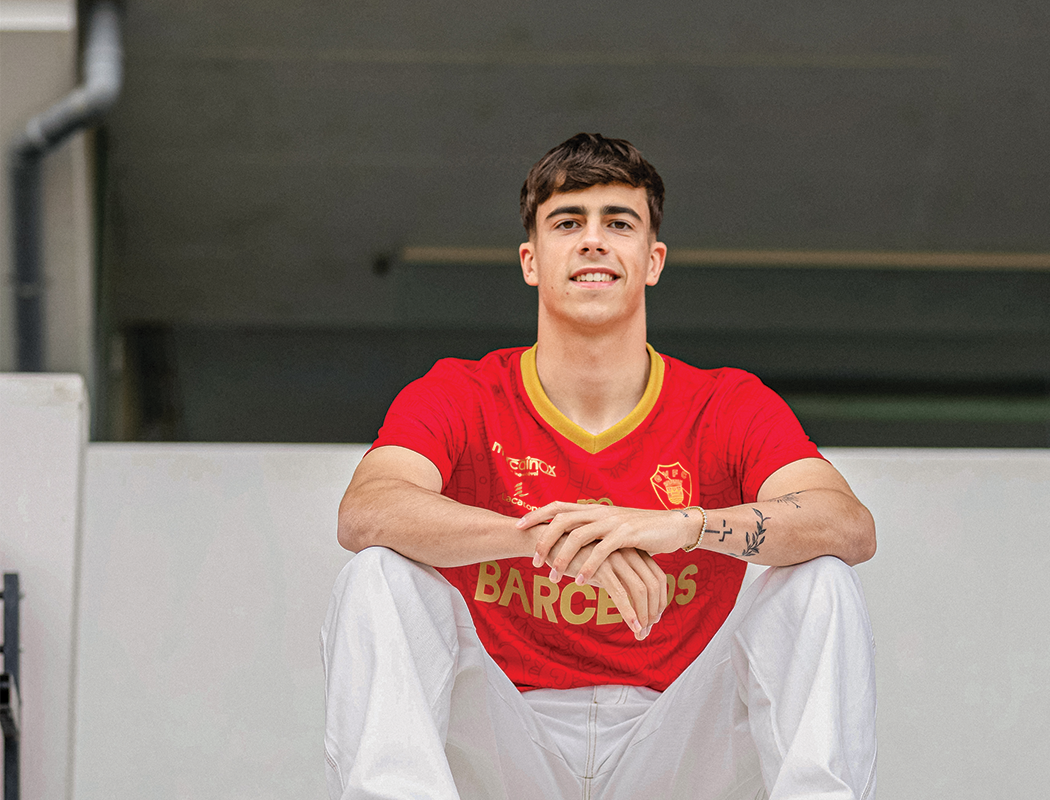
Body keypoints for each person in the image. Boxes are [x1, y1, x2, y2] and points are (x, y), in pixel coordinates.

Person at [322, 132, 878, 800]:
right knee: (378, 574)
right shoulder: (460, 393)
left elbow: (846, 524)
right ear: (531, 260)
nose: (593, 241)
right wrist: (556, 536)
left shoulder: (726, 403)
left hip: (675, 744)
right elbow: (367, 510)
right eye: (567, 222)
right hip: (509, 741)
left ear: (652, 260)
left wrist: (681, 526)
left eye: (618, 223)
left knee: (819, 579)